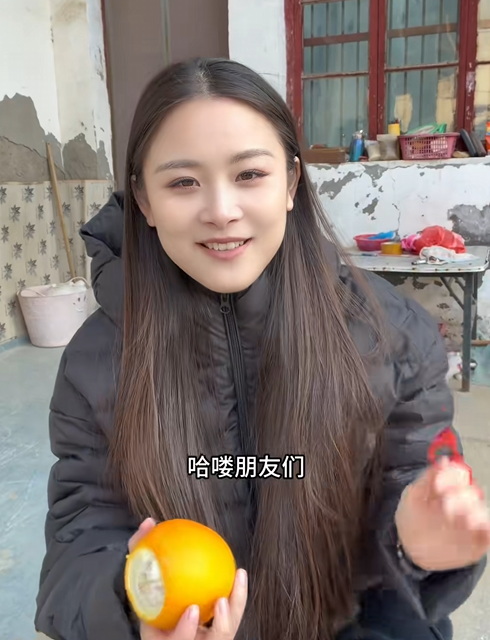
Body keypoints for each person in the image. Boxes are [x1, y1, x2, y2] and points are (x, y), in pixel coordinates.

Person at [34, 57, 489, 640]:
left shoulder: (392, 335)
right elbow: (79, 542)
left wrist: (418, 544)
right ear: (143, 201)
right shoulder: (93, 365)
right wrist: (131, 605)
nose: (222, 211)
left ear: (292, 183)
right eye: (182, 182)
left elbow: (415, 480)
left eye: (249, 174)